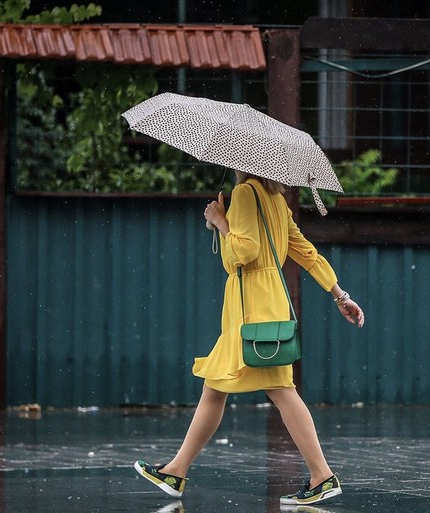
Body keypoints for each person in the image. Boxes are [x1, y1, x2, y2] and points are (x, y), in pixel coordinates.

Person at [134, 172, 365, 506]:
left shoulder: (244, 193)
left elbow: (242, 253)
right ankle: (176, 470)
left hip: (250, 308)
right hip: (267, 305)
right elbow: (307, 253)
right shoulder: (277, 200)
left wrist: (221, 221)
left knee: (276, 390)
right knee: (220, 385)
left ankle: (323, 476)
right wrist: (340, 295)